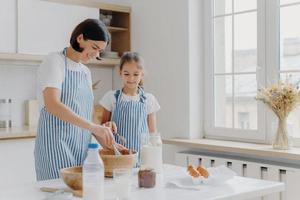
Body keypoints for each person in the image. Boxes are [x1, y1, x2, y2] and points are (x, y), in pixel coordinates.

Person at [34, 19, 122, 180]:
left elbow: (89, 114)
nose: (96, 55)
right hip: (56, 147)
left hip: (83, 149)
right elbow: (53, 105)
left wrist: (109, 143)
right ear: (80, 38)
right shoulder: (54, 61)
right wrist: (94, 128)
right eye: (95, 48)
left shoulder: (85, 72)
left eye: (100, 51)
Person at [99, 52, 160, 161]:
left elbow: (152, 134)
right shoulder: (111, 97)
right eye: (126, 74)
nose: (131, 78)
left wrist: (154, 159)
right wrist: (107, 126)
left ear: (142, 74)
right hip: (117, 155)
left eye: (136, 74)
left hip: (142, 157)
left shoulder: (149, 99)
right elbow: (102, 128)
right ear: (120, 73)